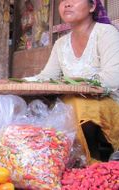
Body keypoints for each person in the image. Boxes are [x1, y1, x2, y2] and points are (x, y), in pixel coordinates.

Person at [25, 0, 119, 162]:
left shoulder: (106, 33)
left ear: (92, 6)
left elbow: (113, 77)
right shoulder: (61, 43)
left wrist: (78, 85)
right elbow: (47, 77)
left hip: (108, 104)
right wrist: (20, 82)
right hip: (71, 104)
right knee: (35, 105)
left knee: (74, 104)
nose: (67, 4)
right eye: (63, 1)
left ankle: (91, 161)